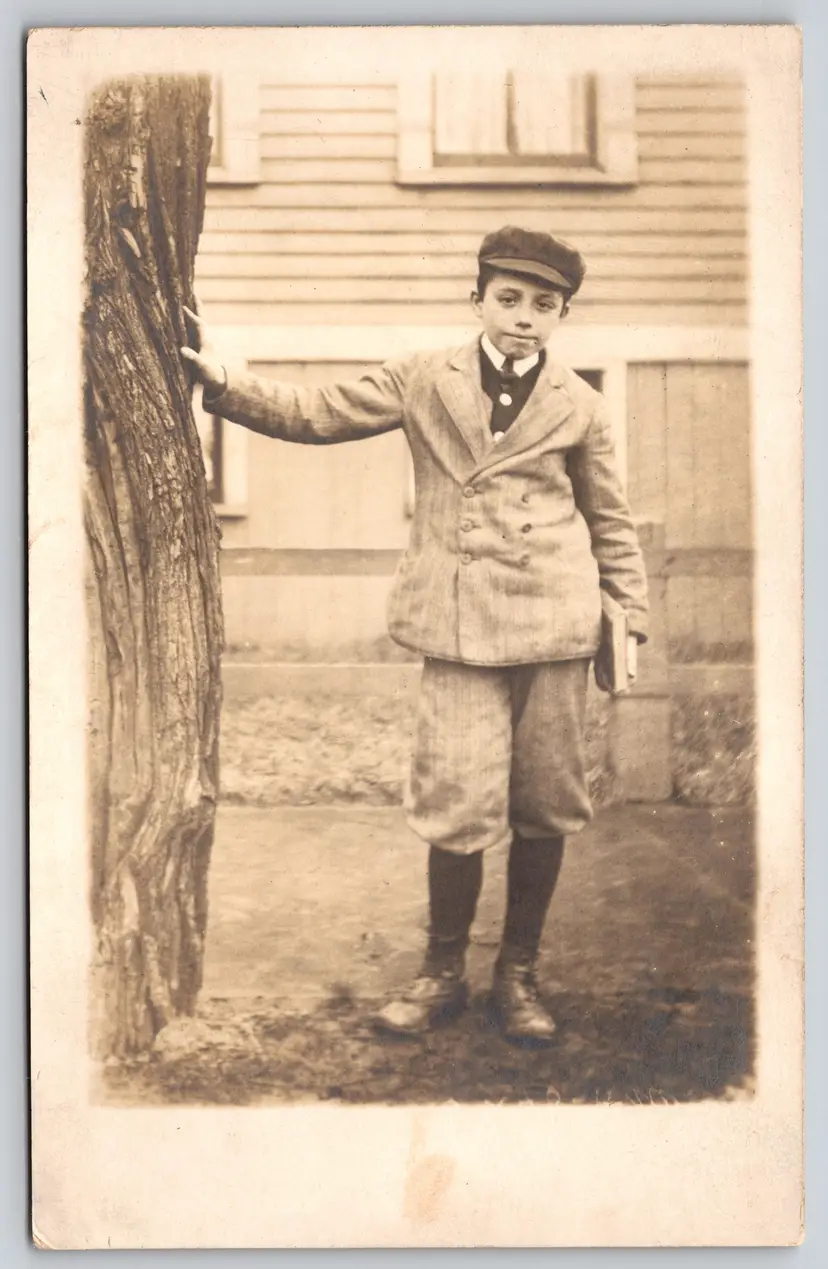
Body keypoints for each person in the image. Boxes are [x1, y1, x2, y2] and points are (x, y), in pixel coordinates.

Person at [181, 225, 648, 1047]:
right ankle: (441, 973)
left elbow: (610, 521)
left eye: (545, 305)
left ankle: (519, 973)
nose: (525, 319)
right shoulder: (423, 378)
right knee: (455, 805)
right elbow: (316, 411)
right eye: (509, 299)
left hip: (557, 628)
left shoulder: (584, 405)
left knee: (546, 804)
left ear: (562, 315)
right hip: (458, 630)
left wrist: (629, 617)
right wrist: (222, 381)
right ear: (478, 300)